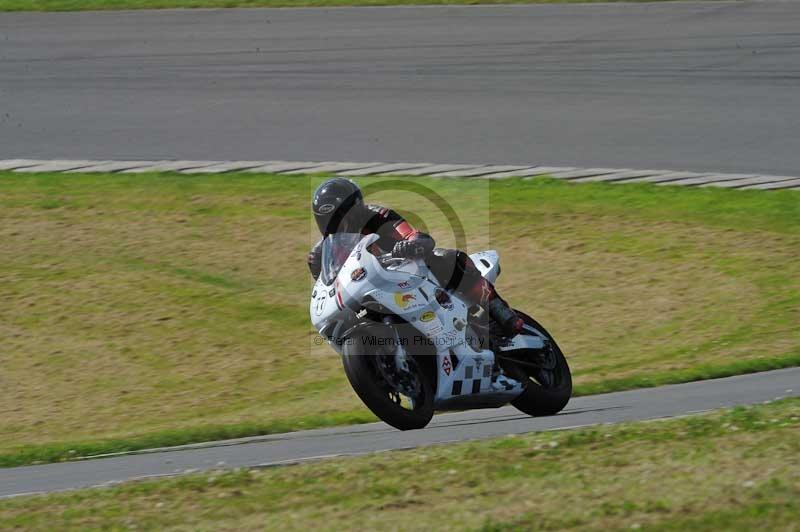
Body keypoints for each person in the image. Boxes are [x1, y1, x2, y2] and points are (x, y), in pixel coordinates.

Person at [307, 178, 524, 337]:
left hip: (409, 273)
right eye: (330, 218)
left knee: (448, 257)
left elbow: (415, 235)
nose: (339, 223)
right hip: (371, 294)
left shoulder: (379, 216)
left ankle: (500, 311)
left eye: (343, 214)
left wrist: (410, 244)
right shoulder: (319, 255)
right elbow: (327, 286)